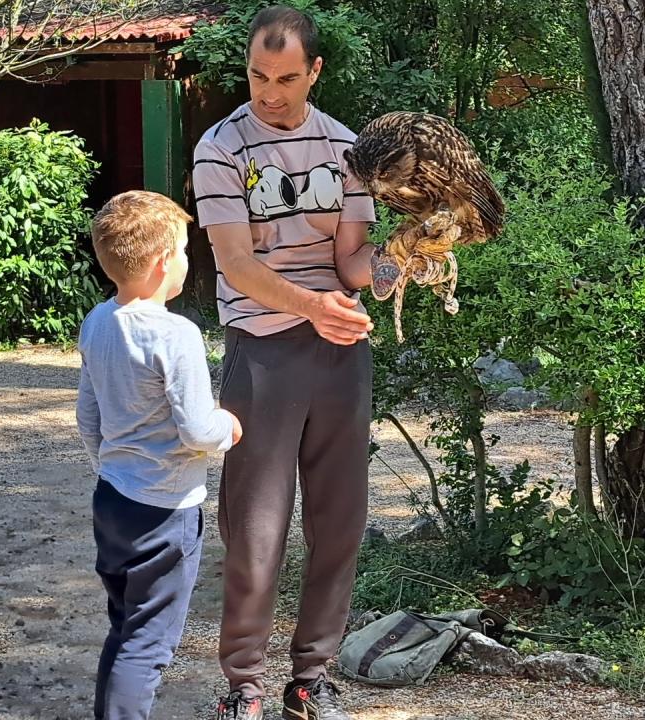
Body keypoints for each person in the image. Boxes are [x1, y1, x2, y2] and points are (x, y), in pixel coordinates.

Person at [192, 6, 379, 720]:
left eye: (287, 78)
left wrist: (402, 262)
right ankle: (242, 686)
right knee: (256, 527)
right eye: (258, 76)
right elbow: (237, 266)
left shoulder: (349, 149)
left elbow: (353, 267)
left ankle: (312, 680)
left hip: (341, 352)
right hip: (262, 350)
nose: (269, 93)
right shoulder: (221, 147)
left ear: (315, 72)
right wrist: (312, 306)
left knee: (339, 522)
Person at [76, 190, 243, 720]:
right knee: (149, 644)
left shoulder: (97, 321)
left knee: (126, 626)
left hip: (114, 502)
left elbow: (89, 418)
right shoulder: (177, 335)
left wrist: (109, 470)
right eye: (186, 252)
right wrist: (230, 430)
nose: (188, 262)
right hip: (166, 512)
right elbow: (197, 427)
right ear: (162, 261)